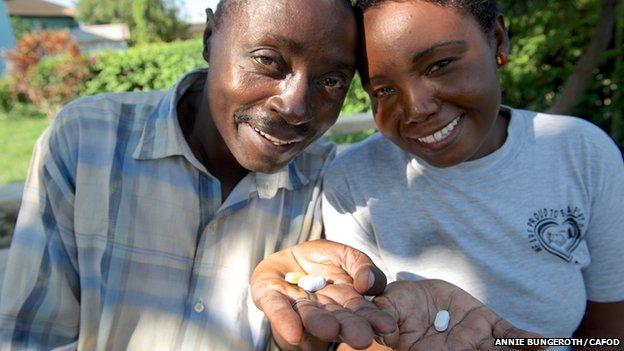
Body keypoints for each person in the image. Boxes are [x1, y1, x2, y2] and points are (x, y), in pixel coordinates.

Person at [0, 0, 371, 349]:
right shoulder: (88, 140)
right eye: (267, 60)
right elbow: (33, 334)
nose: (295, 106)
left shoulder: (328, 182)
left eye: (331, 81)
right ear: (210, 39)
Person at [321, 0, 624, 350]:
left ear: (497, 39)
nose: (417, 108)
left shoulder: (580, 153)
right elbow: (361, 337)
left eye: (440, 65)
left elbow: (609, 331)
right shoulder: (354, 181)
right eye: (383, 90)